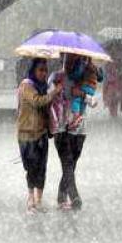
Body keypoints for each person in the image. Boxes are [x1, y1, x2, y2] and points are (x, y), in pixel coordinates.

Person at [16, 58, 61, 214]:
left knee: (41, 168)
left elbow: (46, 105)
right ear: (33, 70)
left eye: (45, 70)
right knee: (31, 168)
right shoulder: (26, 85)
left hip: (41, 133)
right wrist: (53, 93)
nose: (43, 73)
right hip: (26, 135)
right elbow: (37, 101)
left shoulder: (43, 87)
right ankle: (30, 199)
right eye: (40, 70)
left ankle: (38, 201)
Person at [48, 54, 90, 211]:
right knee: (67, 163)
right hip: (61, 129)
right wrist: (59, 91)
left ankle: (61, 196)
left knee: (71, 165)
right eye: (68, 60)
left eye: (75, 60)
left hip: (79, 129)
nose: (71, 63)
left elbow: (90, 98)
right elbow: (49, 97)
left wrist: (84, 94)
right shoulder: (56, 77)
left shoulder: (83, 79)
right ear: (63, 60)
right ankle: (74, 196)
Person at [68, 57, 102, 129]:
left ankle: (76, 118)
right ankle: (79, 118)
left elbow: (77, 74)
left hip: (84, 86)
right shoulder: (95, 67)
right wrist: (100, 70)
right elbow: (100, 78)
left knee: (76, 100)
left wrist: (71, 74)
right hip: (92, 89)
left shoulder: (82, 63)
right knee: (83, 103)